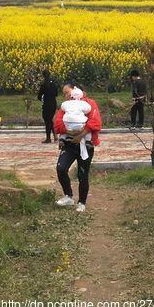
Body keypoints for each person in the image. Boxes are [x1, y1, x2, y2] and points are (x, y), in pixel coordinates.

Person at [53, 81, 102, 212]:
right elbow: (58, 124)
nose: (66, 96)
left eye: (67, 93)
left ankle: (82, 202)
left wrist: (81, 135)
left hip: (86, 145)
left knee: (83, 174)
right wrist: (69, 132)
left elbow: (95, 122)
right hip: (69, 144)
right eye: (64, 94)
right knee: (61, 168)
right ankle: (68, 195)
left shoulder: (90, 104)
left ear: (77, 92)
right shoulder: (65, 107)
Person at [60, 87, 93, 159]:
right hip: (79, 125)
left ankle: (62, 139)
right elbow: (88, 110)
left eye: (66, 93)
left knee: (63, 129)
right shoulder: (84, 103)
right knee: (88, 130)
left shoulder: (66, 103)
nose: (65, 95)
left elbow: (62, 107)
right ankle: (88, 141)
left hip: (68, 125)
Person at [37, 69, 58, 143]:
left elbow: (39, 96)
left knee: (47, 121)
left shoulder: (43, 85)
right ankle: (55, 136)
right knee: (50, 120)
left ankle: (48, 138)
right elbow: (56, 94)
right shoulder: (54, 85)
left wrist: (43, 100)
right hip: (53, 104)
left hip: (46, 105)